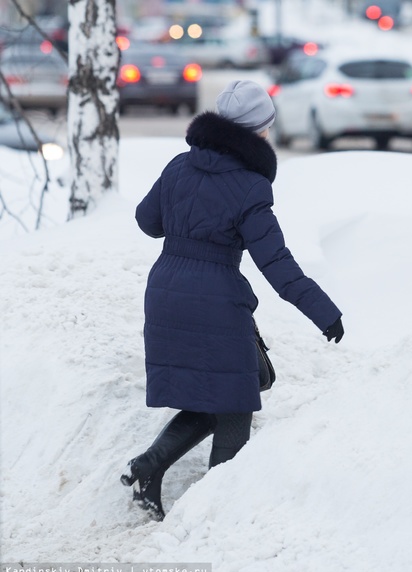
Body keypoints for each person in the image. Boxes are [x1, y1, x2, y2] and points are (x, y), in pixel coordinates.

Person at [121, 80, 344, 521]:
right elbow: (277, 264)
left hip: (165, 291)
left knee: (217, 393)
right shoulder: (250, 187)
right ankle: (214, 516)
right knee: (236, 401)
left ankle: (150, 466)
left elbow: (148, 222)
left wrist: (188, 220)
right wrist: (325, 312)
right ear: (258, 131)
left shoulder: (179, 166)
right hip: (214, 301)